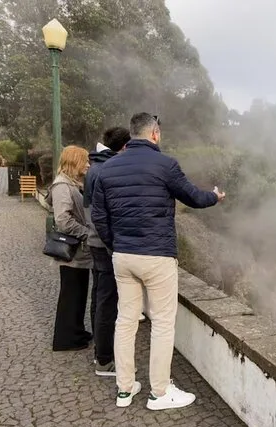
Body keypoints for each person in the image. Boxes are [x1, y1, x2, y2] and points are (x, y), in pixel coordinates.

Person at [91, 112, 225, 409]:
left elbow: (99, 217)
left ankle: (125, 389)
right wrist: (215, 197)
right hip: (157, 256)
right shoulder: (165, 164)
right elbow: (193, 197)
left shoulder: (107, 168)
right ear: (154, 134)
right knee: (163, 323)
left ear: (132, 133)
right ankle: (160, 393)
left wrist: (117, 245)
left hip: (123, 256)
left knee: (125, 321)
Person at [83, 127, 130, 376]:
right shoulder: (105, 169)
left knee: (99, 297)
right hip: (104, 244)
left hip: (95, 242)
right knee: (107, 301)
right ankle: (104, 359)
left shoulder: (95, 166)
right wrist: (114, 244)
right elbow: (102, 215)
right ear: (124, 147)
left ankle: (99, 353)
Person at [47, 145, 93, 351]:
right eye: (85, 161)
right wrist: (87, 233)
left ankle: (76, 332)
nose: (88, 165)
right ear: (75, 162)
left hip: (78, 252)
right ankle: (66, 339)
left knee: (78, 294)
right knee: (71, 295)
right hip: (73, 251)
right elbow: (63, 220)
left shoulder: (71, 184)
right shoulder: (62, 186)